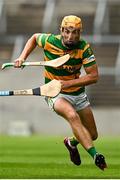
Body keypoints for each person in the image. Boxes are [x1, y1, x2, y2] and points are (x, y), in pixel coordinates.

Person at [14, 15, 107, 170]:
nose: (71, 36)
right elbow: (35, 38)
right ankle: (95, 155)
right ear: (61, 30)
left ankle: (71, 142)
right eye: (67, 32)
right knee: (72, 115)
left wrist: (68, 83)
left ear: (80, 33)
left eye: (75, 32)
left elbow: (94, 76)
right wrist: (22, 57)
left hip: (78, 94)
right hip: (54, 93)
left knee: (92, 134)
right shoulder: (50, 41)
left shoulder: (84, 48)